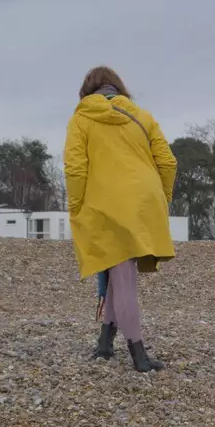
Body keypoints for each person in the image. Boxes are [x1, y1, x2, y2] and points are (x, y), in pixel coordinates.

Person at [64, 66, 178, 372]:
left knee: (123, 277)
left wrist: (76, 207)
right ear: (118, 88)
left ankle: (138, 353)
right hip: (145, 199)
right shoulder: (144, 116)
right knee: (120, 272)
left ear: (87, 92)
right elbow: (167, 161)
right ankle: (105, 342)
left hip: (108, 203)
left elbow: (75, 169)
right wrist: (160, 199)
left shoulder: (81, 119)